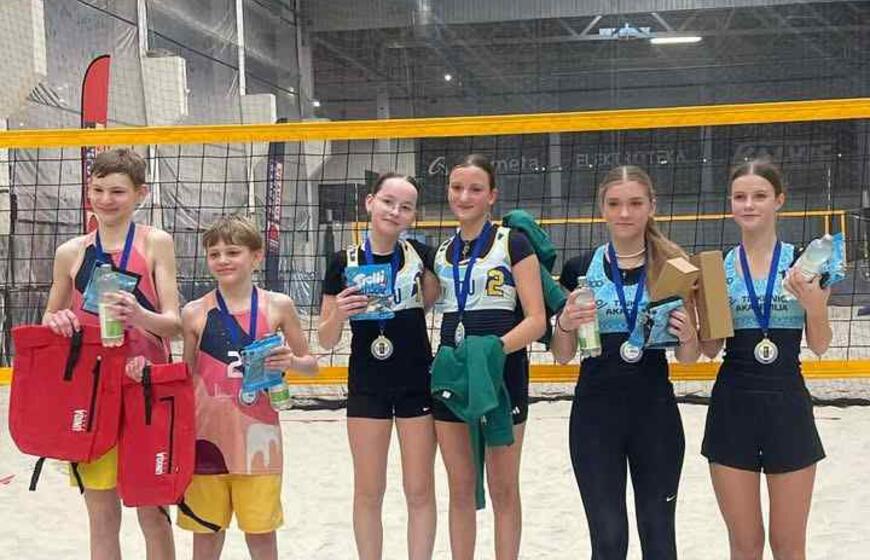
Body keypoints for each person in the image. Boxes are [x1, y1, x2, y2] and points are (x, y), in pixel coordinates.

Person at [551, 165, 700, 559]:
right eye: (615, 203)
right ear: (602, 208)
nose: (625, 213)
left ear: (652, 206)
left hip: (655, 414)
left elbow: (688, 359)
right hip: (595, 416)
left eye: (635, 203)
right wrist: (565, 323)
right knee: (608, 540)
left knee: (659, 538)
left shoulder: (673, 265)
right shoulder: (580, 269)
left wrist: (689, 335)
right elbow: (562, 355)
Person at [42, 148, 181, 560]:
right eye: (98, 189)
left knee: (154, 515)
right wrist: (56, 321)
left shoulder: (155, 243)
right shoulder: (71, 252)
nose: (105, 199)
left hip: (145, 390)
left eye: (117, 191)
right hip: (92, 395)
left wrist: (139, 315)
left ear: (141, 194)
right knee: (101, 517)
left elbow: (173, 324)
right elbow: (49, 316)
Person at [700, 160, 829, 560]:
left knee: (788, 547)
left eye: (759, 196)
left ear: (779, 200)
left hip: (787, 406)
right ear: (730, 204)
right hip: (732, 406)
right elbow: (710, 349)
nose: (749, 204)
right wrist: (693, 311)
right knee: (745, 546)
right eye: (740, 197)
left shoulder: (805, 263)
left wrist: (815, 307)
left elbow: (821, 345)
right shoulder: (716, 267)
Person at [178, 214, 317, 560]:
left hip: (259, 441)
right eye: (214, 254)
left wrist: (291, 362)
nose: (222, 260)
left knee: (261, 536)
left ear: (256, 256)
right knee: (205, 537)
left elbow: (311, 364)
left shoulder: (278, 305)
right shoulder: (194, 312)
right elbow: (186, 376)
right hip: (206, 439)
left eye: (232, 252)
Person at [318, 173, 440, 560]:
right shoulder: (344, 262)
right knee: (369, 491)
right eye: (388, 201)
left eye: (405, 207)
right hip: (367, 385)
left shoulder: (423, 256)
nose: (395, 211)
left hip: (417, 382)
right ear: (370, 202)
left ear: (413, 215)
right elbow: (325, 339)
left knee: (419, 490)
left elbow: (432, 298)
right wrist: (339, 313)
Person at [432, 154, 546, 560]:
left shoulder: (512, 243)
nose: (464, 196)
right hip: (454, 374)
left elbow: (536, 319)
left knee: (503, 487)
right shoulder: (441, 252)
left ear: (492, 196)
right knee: (460, 488)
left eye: (475, 189)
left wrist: (494, 351)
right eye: (457, 187)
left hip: (502, 372)